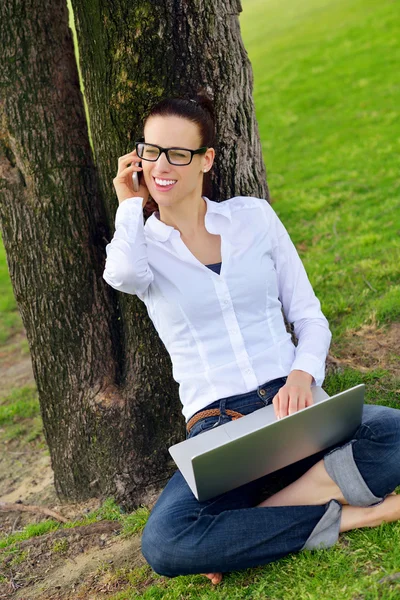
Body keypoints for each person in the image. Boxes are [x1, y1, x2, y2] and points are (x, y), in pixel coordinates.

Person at [103, 93, 400, 585]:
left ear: (207, 160)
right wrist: (130, 206)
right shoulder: (139, 245)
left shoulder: (252, 219)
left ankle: (262, 515)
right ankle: (352, 514)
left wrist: (303, 376)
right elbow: (123, 276)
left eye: (178, 154)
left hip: (297, 406)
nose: (162, 165)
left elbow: (308, 317)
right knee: (165, 541)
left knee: (393, 433)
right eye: (150, 151)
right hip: (221, 427)